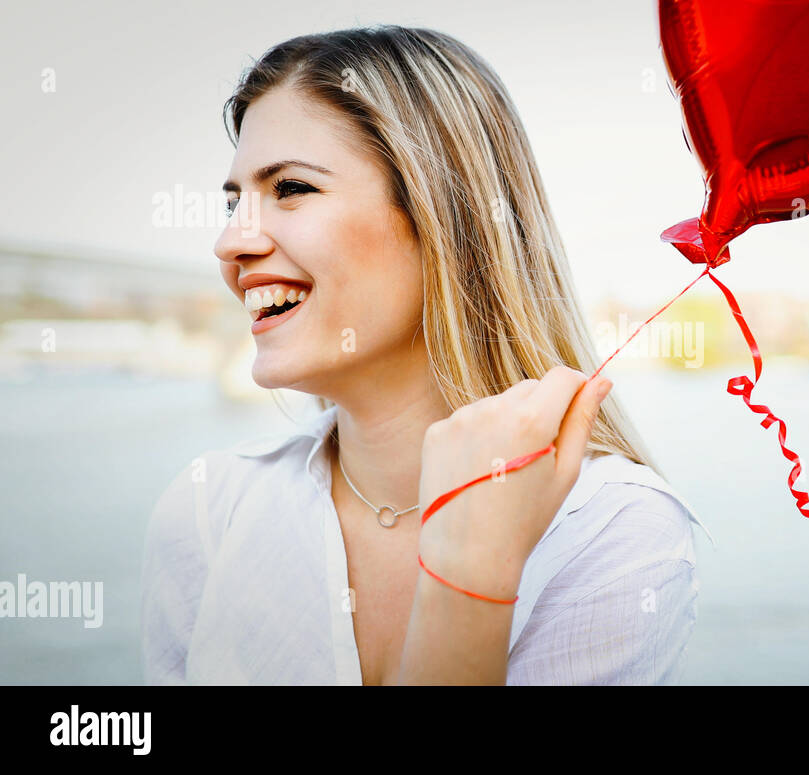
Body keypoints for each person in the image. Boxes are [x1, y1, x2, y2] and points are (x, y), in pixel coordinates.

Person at [140, 25, 712, 685]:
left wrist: (469, 578)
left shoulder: (612, 528)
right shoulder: (207, 513)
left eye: (291, 189)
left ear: (447, 215)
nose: (229, 243)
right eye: (235, 201)